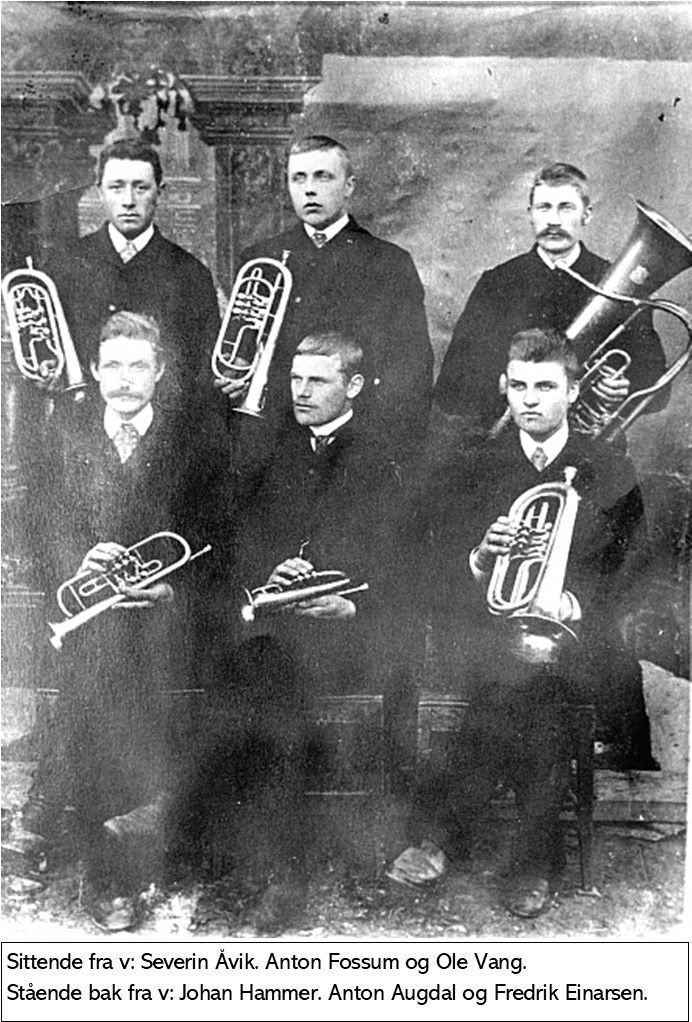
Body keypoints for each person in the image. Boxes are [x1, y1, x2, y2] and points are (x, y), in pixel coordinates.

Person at [393, 328, 656, 915]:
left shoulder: (609, 467)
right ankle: (536, 862)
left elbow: (635, 569)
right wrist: (480, 558)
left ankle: (443, 837)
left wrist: (576, 604)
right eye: (518, 386)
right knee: (522, 683)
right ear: (504, 388)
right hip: (490, 633)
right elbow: (433, 569)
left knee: (529, 684)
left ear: (573, 391)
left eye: (545, 386)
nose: (530, 400)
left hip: (582, 640)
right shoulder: (476, 467)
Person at [189, 330, 404, 935]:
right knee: (249, 670)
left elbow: (404, 568)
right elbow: (239, 538)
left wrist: (350, 608)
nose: (302, 392)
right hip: (279, 628)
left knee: (261, 677)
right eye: (295, 379)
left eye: (318, 380)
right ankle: (253, 858)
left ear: (353, 386)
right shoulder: (276, 450)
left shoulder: (384, 459)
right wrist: (272, 568)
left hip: (350, 635)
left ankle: (271, 868)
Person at [23, 311, 230, 931]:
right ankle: (111, 855)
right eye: (111, 365)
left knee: (109, 666)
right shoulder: (65, 430)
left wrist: (170, 589)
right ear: (93, 369)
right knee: (103, 657)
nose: (123, 379)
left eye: (138, 366)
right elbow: (40, 523)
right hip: (90, 614)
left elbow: (216, 537)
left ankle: (62, 822)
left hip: (169, 616)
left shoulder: (192, 439)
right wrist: (79, 559)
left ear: (160, 372)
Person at [217, 135, 433, 463]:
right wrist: (233, 381)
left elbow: (411, 370)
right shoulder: (261, 258)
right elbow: (241, 351)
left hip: (357, 444)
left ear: (349, 186)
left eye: (323, 177)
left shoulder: (389, 263)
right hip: (273, 438)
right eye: (298, 178)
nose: (309, 190)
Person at [433, 162, 667, 437]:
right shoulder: (496, 283)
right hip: (507, 446)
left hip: (590, 448)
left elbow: (657, 387)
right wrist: (504, 386)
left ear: (587, 215)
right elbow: (452, 386)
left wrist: (623, 387)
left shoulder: (622, 285)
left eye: (566, 208)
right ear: (530, 215)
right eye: (544, 208)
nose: (554, 220)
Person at [46, 138, 220, 419]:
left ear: (159, 192)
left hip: (165, 431)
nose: (128, 201)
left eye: (141, 188)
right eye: (116, 187)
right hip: (78, 427)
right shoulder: (63, 265)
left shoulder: (191, 274)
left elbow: (202, 375)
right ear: (100, 191)